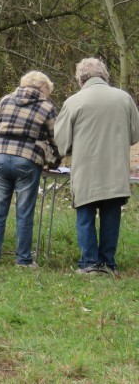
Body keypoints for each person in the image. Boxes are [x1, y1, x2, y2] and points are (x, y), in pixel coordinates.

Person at [54, 58, 139, 275]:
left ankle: (89, 263)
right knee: (111, 216)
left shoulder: (74, 101)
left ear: (80, 79)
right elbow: (135, 135)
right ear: (105, 76)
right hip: (115, 169)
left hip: (86, 169)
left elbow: (62, 142)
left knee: (86, 216)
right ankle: (108, 263)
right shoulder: (124, 98)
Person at [0, 71, 61, 268]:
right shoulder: (48, 106)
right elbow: (57, 140)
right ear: (44, 89)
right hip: (27, 160)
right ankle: (23, 260)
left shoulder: (5, 100)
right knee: (24, 212)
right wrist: (54, 161)